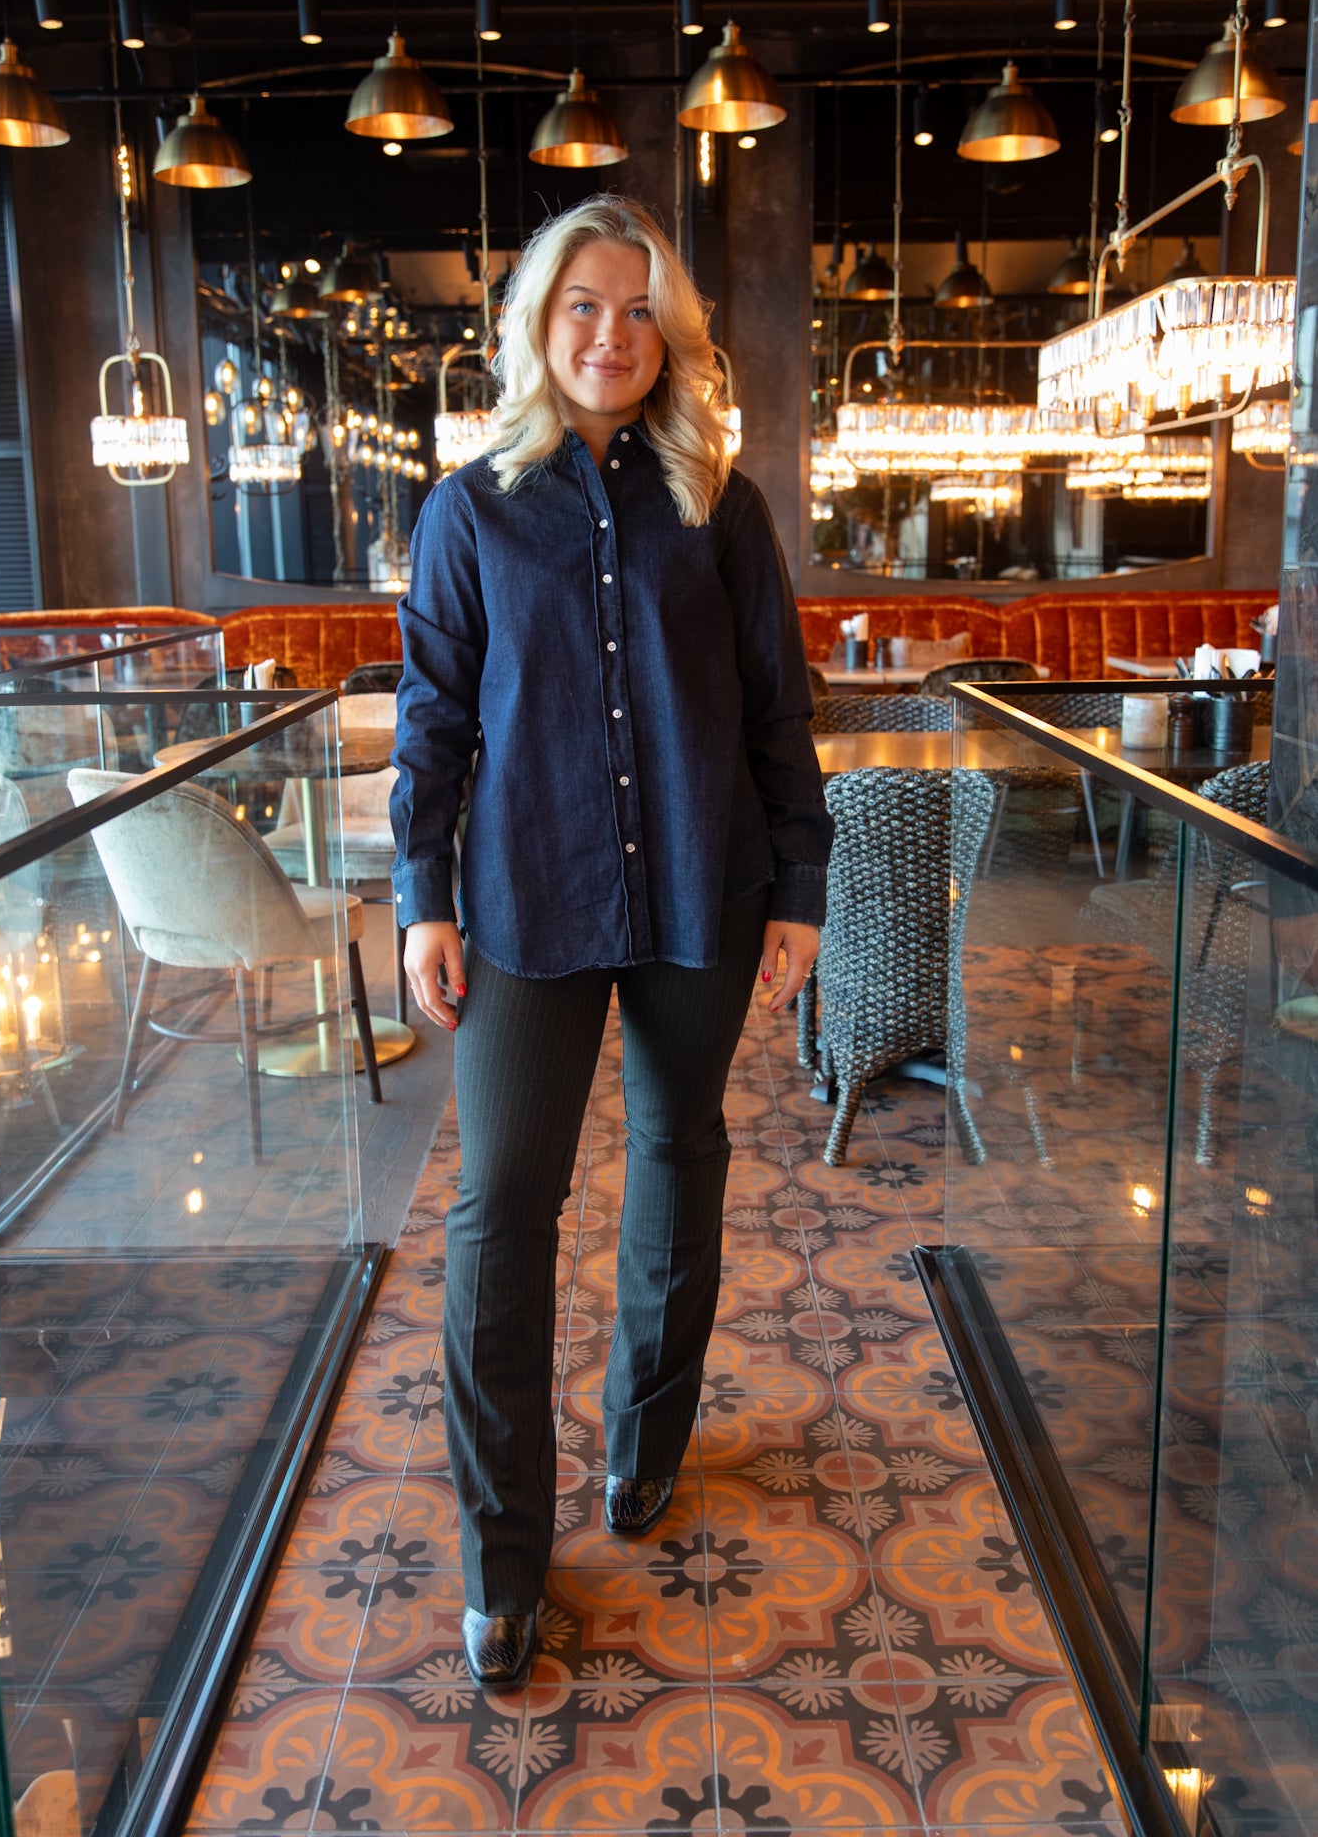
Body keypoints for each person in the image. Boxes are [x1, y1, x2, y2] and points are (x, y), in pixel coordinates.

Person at [390, 194, 832, 1690]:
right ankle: (502, 1556)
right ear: (538, 321)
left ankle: (645, 1439)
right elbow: (434, 723)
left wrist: (800, 888)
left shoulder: (720, 503)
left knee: (678, 1153)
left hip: (706, 889)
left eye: (641, 309)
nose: (611, 333)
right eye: (584, 302)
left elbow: (777, 710)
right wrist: (423, 898)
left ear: (673, 336)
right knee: (498, 1210)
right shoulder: (467, 512)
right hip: (527, 899)